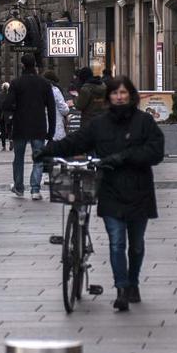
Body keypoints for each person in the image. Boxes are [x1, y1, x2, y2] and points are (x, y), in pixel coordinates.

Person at [38, 76, 164, 311]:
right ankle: (122, 289)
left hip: (139, 190)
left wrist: (124, 157)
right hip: (111, 188)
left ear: (131, 95)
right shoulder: (100, 124)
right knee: (117, 242)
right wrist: (48, 150)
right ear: (109, 97)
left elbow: (155, 152)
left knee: (136, 244)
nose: (119, 97)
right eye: (115, 93)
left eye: (123, 93)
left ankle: (134, 281)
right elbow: (77, 141)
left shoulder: (144, 122)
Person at [6, 54, 56, 200]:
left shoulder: (16, 83)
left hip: (20, 125)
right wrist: (51, 131)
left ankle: (19, 187)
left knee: (18, 158)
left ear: (22, 65)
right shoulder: (45, 83)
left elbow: (7, 105)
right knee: (38, 158)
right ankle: (35, 189)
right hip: (38, 125)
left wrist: (14, 110)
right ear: (35, 65)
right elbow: (51, 109)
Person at [43, 70, 71, 141]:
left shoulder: (40, 90)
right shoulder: (55, 90)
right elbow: (64, 109)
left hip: (42, 126)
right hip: (56, 125)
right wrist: (67, 106)